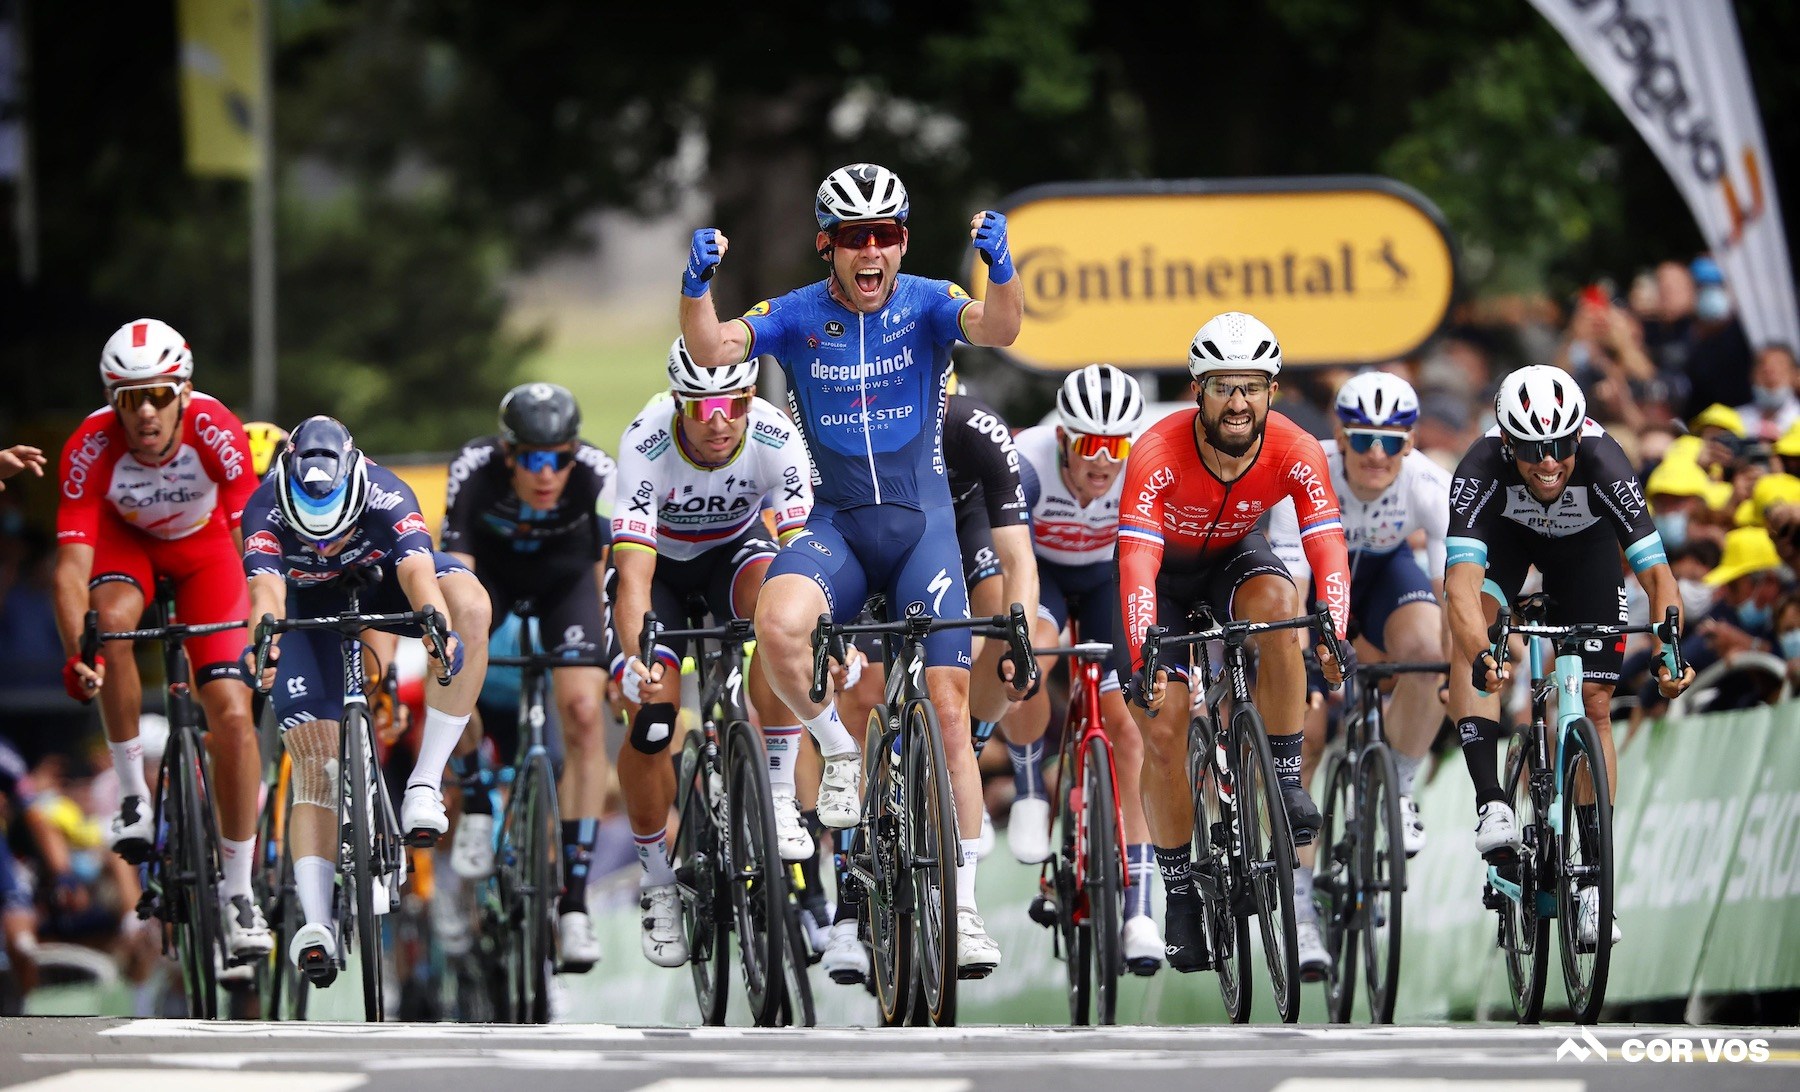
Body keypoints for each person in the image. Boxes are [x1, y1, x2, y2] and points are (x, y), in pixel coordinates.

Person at [675, 161, 1025, 975]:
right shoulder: (797, 315)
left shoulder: (931, 301)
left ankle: (966, 908)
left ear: (903, 242)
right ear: (829, 246)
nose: (874, 253)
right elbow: (715, 343)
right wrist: (696, 287)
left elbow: (1001, 329)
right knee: (776, 623)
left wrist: (1000, 268)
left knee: (946, 710)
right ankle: (836, 750)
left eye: (888, 236)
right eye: (857, 239)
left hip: (921, 530)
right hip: (835, 528)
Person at [1118, 311, 1353, 973]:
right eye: (1224, 387)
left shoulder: (1295, 446)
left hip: (1232, 563)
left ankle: (1282, 777)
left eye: (1252, 386)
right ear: (1199, 390)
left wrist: (1332, 627)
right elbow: (1136, 563)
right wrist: (1143, 655)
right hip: (1161, 577)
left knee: (1284, 609)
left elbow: (1326, 543)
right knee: (1162, 727)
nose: (1239, 402)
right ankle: (1180, 894)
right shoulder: (1158, 450)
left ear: (1272, 391)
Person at [1444, 365, 1693, 950]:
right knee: (1470, 628)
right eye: (1532, 449)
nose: (1548, 462)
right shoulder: (1479, 470)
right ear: (1506, 442)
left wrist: (1670, 649)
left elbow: (1658, 575)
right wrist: (1484, 651)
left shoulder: (1607, 463)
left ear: (1577, 436)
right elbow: (1458, 585)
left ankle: (1593, 884)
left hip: (1585, 557)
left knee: (1597, 706)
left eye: (1559, 446)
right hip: (1505, 547)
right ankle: (1492, 805)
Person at [51, 319, 271, 961]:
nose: (145, 412)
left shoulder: (215, 427)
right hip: (130, 547)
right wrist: (79, 652)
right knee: (111, 622)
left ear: (185, 391)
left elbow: (246, 535)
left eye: (159, 395)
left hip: (206, 552)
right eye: (129, 398)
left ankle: (238, 892)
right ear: (112, 401)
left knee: (231, 715)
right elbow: (70, 568)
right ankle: (131, 796)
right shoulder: (89, 446)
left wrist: (265, 608)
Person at [242, 415, 490, 979]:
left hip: (378, 580)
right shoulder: (263, 506)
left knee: (470, 607)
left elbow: (419, 575)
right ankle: (315, 921)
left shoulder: (386, 492)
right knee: (316, 760)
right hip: (304, 604)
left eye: (334, 527)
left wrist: (437, 626)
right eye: (312, 532)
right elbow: (266, 591)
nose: (323, 541)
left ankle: (425, 784)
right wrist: (265, 640)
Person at [608, 339, 814, 969]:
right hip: (660, 571)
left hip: (734, 554)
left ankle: (777, 790)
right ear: (678, 404)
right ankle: (656, 880)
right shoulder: (646, 443)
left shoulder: (775, 434)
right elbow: (636, 581)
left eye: (735, 402)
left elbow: (805, 556)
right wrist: (639, 660)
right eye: (702, 407)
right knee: (654, 722)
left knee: (782, 616)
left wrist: (819, 634)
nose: (720, 419)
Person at [823, 382, 1037, 982]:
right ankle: (849, 903)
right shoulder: (849, 420)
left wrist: (1018, 640)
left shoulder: (974, 425)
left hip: (955, 527)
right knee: (864, 696)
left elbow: (1019, 559)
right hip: (868, 531)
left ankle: (964, 900)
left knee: (983, 638)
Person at [1266, 371, 1451, 979]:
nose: (1377, 453)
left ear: (1411, 441)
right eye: (1364, 438)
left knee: (1427, 655)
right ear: (1339, 434)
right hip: (1314, 582)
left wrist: (1454, 665)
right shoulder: (1308, 470)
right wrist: (1303, 664)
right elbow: (1292, 590)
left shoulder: (1428, 480)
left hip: (1382, 575)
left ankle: (1397, 784)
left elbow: (1456, 588)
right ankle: (1297, 903)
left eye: (1393, 441)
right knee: (1307, 733)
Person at [440, 382, 615, 972]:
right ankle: (477, 797)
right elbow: (454, 575)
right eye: (534, 460)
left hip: (564, 583)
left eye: (559, 458)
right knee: (455, 654)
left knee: (585, 716)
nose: (548, 474)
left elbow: (610, 571)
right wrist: (455, 644)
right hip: (491, 577)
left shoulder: (596, 472)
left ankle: (574, 904)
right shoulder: (474, 467)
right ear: (508, 454)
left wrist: (613, 651)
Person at [1000, 363, 1166, 973]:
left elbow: (1156, 566)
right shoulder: (1027, 460)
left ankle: (1141, 910)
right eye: (1090, 446)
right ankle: (1027, 789)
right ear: (1065, 438)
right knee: (1026, 660)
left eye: (1116, 446)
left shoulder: (1142, 469)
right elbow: (1002, 558)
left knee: (1130, 725)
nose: (1103, 461)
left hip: (1106, 580)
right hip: (1039, 574)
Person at [1736, 345, 1800, 443]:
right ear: (1751, 376)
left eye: (1780, 365)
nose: (1770, 372)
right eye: (1762, 366)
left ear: (1795, 376)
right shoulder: (1735, 419)